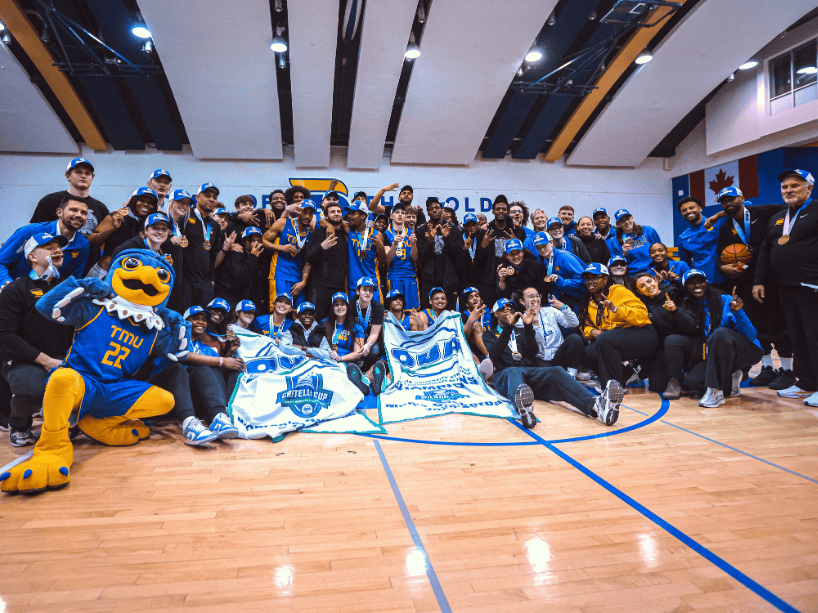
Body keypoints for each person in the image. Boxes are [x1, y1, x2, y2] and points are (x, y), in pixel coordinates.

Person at [485, 298, 624, 428]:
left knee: (556, 370)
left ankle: (597, 405)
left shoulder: (520, 331)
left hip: (528, 370)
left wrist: (528, 327)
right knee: (514, 371)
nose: (508, 311)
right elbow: (495, 354)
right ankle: (524, 409)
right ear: (495, 314)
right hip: (505, 373)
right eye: (504, 309)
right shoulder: (489, 334)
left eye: (510, 308)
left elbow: (532, 352)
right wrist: (508, 329)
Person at [706, 186, 792, 389]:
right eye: (723, 202)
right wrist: (722, 266)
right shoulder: (726, 227)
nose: (727, 204)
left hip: (771, 276)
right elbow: (721, 254)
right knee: (756, 325)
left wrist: (717, 214)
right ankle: (768, 368)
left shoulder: (762, 211)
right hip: (745, 280)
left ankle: (788, 370)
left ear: (742, 198)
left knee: (778, 322)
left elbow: (789, 207)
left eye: (731, 199)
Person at [0, 233, 73, 446]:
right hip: (24, 358)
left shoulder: (68, 288)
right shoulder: (15, 289)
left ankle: (62, 421)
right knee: (32, 392)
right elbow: (5, 335)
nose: (56, 250)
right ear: (32, 256)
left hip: (63, 356)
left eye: (58, 246)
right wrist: (47, 361)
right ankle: (19, 425)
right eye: (48, 247)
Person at [753, 169, 818, 407]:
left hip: (812, 285)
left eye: (795, 186)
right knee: (797, 336)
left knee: (815, 336)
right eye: (785, 187)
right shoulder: (778, 217)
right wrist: (759, 280)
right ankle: (806, 382)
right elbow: (765, 251)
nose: (788, 190)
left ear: (809, 188)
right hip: (785, 287)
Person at [150, 305, 242, 445]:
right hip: (161, 391)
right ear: (185, 320)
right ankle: (189, 426)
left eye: (203, 320)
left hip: (184, 402)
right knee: (179, 368)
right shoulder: (174, 334)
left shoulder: (205, 347)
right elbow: (182, 356)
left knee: (212, 369)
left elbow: (219, 368)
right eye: (195, 318)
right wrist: (223, 360)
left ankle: (219, 416)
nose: (201, 322)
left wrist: (230, 353)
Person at [684, 270, 763, 407]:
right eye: (691, 283)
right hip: (720, 357)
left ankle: (715, 392)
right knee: (694, 382)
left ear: (706, 283)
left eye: (700, 281)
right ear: (685, 287)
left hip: (748, 350)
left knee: (721, 333)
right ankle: (732, 378)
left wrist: (738, 312)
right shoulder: (689, 308)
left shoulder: (725, 300)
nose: (697, 285)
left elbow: (751, 335)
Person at [579, 263, 657, 388]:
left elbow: (642, 315)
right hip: (612, 338)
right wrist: (592, 332)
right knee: (589, 352)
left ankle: (615, 387)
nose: (590, 282)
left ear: (605, 279)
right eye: (587, 278)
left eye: (594, 278)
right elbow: (584, 325)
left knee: (605, 339)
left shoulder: (618, 291)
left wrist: (616, 309)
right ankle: (625, 374)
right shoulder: (587, 301)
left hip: (643, 334)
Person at [632, 272, 700, 399]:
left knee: (671, 340)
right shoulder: (641, 305)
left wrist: (676, 311)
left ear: (656, 281)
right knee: (656, 386)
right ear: (639, 291)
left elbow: (693, 327)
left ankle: (675, 380)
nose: (648, 286)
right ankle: (680, 376)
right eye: (642, 286)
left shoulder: (675, 294)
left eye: (649, 281)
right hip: (666, 348)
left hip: (688, 343)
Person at [0, 195, 90, 290]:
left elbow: (72, 279)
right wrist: (7, 284)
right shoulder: (29, 231)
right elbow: (1, 261)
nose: (79, 215)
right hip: (15, 293)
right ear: (59, 212)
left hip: (47, 298)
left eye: (84, 213)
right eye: (73, 210)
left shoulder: (83, 245)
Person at [111, 212, 184, 313]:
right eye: (155, 228)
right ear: (146, 230)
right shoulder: (131, 246)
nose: (160, 232)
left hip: (144, 305)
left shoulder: (163, 252)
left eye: (164, 229)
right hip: (122, 302)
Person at [29, 158, 109, 244]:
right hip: (54, 252)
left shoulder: (101, 208)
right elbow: (33, 232)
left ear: (92, 178)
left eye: (87, 173)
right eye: (78, 172)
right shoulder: (50, 201)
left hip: (87, 254)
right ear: (68, 176)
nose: (83, 176)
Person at [86, 187, 159, 278]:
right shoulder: (117, 216)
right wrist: (113, 228)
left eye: (150, 203)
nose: (146, 204)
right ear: (134, 201)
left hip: (130, 276)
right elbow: (91, 240)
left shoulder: (151, 226)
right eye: (142, 200)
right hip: (104, 272)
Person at [515, 286, 584, 377]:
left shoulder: (551, 311)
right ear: (522, 301)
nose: (535, 299)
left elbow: (574, 323)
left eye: (537, 296)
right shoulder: (520, 322)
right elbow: (531, 348)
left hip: (558, 355)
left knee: (575, 338)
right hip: (539, 359)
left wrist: (563, 307)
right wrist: (535, 324)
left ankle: (572, 374)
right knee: (552, 375)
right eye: (531, 296)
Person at [474, 196, 527, 309]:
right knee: (491, 314)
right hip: (489, 283)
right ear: (493, 211)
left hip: (511, 281)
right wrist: (483, 246)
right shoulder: (485, 231)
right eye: (498, 209)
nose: (501, 211)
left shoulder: (517, 231)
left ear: (507, 211)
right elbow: (478, 260)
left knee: (511, 313)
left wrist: (516, 242)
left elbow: (524, 257)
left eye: (504, 209)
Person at [323, 292, 380, 395]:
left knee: (342, 369)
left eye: (342, 304)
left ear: (347, 306)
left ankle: (357, 382)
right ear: (332, 307)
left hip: (346, 361)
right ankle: (356, 383)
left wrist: (340, 358)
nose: (340, 307)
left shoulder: (356, 327)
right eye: (336, 304)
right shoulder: (324, 323)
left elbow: (358, 353)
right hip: (327, 360)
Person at [263, 199, 314, 309]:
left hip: (298, 278)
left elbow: (308, 261)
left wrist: (304, 281)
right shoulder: (283, 223)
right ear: (298, 211)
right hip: (279, 274)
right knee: (278, 309)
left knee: (298, 312)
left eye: (311, 213)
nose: (307, 216)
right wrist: (281, 247)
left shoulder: (310, 234)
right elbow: (264, 240)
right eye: (305, 212)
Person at [179, 183, 224, 309]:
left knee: (202, 319)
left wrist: (211, 279)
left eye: (214, 197)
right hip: (185, 280)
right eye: (207, 196)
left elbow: (212, 256)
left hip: (205, 282)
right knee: (184, 319)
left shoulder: (215, 225)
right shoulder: (185, 216)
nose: (211, 199)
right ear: (197, 197)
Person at [416, 197, 463, 309]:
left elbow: (457, 255)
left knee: (448, 312)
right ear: (427, 212)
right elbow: (421, 257)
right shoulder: (421, 230)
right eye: (431, 209)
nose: (435, 210)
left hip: (449, 278)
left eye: (437, 207)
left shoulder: (453, 228)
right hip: (429, 279)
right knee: (428, 311)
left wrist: (447, 238)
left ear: (442, 210)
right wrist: (430, 240)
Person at [305, 202, 348, 322]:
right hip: (320, 286)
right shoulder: (318, 233)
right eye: (332, 211)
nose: (336, 214)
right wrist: (321, 247)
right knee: (317, 320)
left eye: (339, 211)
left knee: (335, 321)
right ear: (326, 217)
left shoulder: (345, 235)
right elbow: (308, 257)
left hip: (338, 287)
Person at [676, 196, 727, 285]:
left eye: (691, 208)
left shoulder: (717, 222)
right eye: (684, 210)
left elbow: (746, 205)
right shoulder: (683, 238)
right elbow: (685, 264)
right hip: (706, 280)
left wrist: (718, 215)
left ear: (700, 208)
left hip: (728, 273)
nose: (688, 211)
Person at [345, 202, 387, 303]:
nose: (349, 216)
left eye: (353, 213)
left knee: (376, 316)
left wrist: (381, 248)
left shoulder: (377, 234)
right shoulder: (348, 229)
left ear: (363, 216)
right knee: (355, 317)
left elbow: (382, 263)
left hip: (372, 284)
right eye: (349, 213)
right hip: (354, 285)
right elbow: (323, 221)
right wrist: (328, 225)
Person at [530, 232, 587, 306]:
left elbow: (583, 280)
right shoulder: (545, 260)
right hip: (565, 297)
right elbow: (556, 286)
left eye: (544, 246)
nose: (542, 250)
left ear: (551, 243)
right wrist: (551, 304)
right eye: (538, 248)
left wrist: (561, 281)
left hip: (580, 298)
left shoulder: (564, 257)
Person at [215, 227, 264, 308]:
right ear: (245, 241)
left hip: (239, 297)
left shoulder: (256, 257)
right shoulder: (236, 253)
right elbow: (240, 277)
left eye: (258, 241)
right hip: (225, 294)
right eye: (253, 240)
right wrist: (253, 256)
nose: (257, 244)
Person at [350, 277, 387, 380]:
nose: (368, 293)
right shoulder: (350, 305)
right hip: (354, 338)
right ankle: (354, 370)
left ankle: (366, 374)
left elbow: (375, 333)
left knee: (374, 350)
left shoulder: (378, 307)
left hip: (370, 338)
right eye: (364, 290)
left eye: (370, 290)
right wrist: (359, 343)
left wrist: (368, 345)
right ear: (357, 291)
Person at [384, 203, 420, 310]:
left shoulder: (412, 232)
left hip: (410, 277)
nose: (400, 215)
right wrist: (394, 244)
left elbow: (415, 258)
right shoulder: (386, 234)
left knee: (412, 311)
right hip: (394, 277)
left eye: (403, 213)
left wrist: (413, 245)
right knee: (394, 311)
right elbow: (388, 258)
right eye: (397, 212)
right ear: (391, 216)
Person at [608, 208, 661, 276]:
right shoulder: (615, 241)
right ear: (618, 224)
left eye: (628, 219)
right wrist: (624, 254)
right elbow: (616, 265)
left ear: (632, 219)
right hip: (632, 275)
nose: (626, 222)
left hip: (653, 271)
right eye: (622, 221)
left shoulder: (648, 231)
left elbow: (660, 250)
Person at [457, 213, 487, 291]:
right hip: (463, 280)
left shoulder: (482, 237)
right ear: (464, 227)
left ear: (478, 225)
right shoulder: (458, 238)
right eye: (468, 225)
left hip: (480, 279)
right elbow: (457, 263)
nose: (472, 227)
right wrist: (464, 249)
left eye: (474, 225)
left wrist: (483, 247)